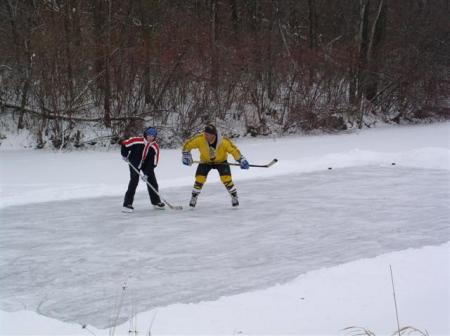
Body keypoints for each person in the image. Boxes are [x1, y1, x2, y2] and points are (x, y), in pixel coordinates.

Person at [182, 124, 249, 207]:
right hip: (205, 161)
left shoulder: (223, 142)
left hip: (221, 161)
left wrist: (240, 159)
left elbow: (233, 150)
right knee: (199, 178)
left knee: (226, 179)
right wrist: (186, 154)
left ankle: (234, 196)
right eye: (205, 134)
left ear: (213, 135)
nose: (205, 136)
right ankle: (194, 197)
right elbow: (187, 145)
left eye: (208, 135)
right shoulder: (200, 139)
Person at [121, 127, 165, 212]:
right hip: (134, 163)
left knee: (153, 182)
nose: (150, 138)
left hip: (147, 166)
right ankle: (127, 204)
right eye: (149, 135)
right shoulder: (136, 140)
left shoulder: (155, 147)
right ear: (145, 134)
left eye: (152, 136)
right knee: (134, 182)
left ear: (155, 137)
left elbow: (154, 162)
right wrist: (124, 154)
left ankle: (156, 202)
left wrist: (147, 174)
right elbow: (124, 144)